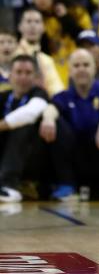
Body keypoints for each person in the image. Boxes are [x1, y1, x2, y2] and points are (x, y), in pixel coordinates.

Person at [40, 49, 99, 201]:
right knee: (55, 122)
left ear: (95, 69)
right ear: (69, 71)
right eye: (76, 65)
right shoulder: (64, 96)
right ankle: (66, 185)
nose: (81, 69)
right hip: (77, 159)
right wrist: (47, 119)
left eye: (86, 65)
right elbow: (51, 108)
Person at [0, 55, 49, 203]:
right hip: (5, 157)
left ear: (35, 77)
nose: (23, 77)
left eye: (28, 73)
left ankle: (9, 186)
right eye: (19, 72)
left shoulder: (40, 94)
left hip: (33, 159)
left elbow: (31, 113)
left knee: (23, 125)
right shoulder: (3, 97)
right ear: (10, 76)